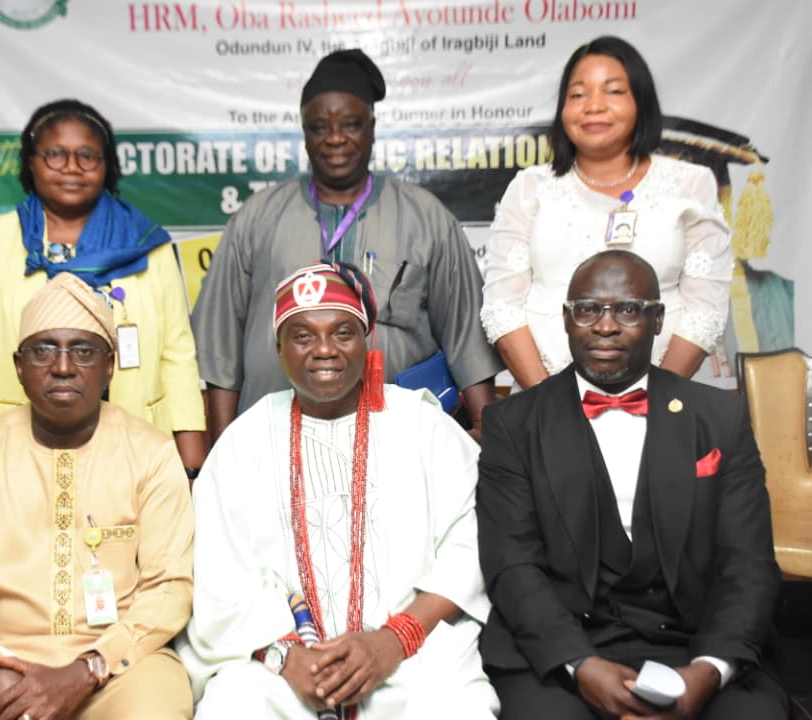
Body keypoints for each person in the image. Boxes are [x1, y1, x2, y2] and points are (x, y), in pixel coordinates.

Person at [476, 250, 787, 719]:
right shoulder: (513, 424)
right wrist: (580, 665)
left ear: (658, 320)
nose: (605, 326)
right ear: (567, 319)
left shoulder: (720, 418)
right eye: (588, 309)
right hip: (561, 645)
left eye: (627, 309)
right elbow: (512, 566)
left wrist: (708, 670)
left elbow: (748, 563)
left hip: (693, 641)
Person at [179, 263, 499, 718]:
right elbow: (222, 575)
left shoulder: (423, 425)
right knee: (235, 704)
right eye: (303, 336)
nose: (325, 349)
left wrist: (395, 639)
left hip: (412, 652)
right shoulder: (242, 442)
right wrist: (288, 657)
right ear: (279, 348)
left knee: (454, 706)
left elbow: (471, 545)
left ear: (367, 341)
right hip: (282, 663)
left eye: (343, 333)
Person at [0, 273, 194, 720]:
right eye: (44, 350)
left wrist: (90, 667)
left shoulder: (151, 453)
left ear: (109, 366)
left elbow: (169, 587)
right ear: (19, 366)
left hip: (114, 667)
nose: (63, 366)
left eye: (83, 351)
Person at [192, 49, 501, 442]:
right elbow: (220, 347)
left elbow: (466, 335)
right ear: (304, 133)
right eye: (319, 127)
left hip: (398, 440)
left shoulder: (425, 217)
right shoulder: (256, 218)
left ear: (372, 127)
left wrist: (488, 438)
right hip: (275, 440)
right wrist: (223, 449)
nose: (335, 138)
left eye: (351, 124)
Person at [0, 98, 207, 475]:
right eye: (55, 154)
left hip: (135, 449)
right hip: (20, 453)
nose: (71, 167)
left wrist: (191, 464)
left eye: (87, 156)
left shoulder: (147, 244)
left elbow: (177, 356)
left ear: (106, 165)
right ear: (31, 163)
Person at [479, 36, 732, 389]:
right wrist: (549, 403)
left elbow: (705, 308)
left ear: (641, 102)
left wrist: (653, 401)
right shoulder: (530, 188)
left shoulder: (690, 185)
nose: (593, 106)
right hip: (544, 402)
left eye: (612, 91)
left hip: (665, 400)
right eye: (578, 94)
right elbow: (502, 307)